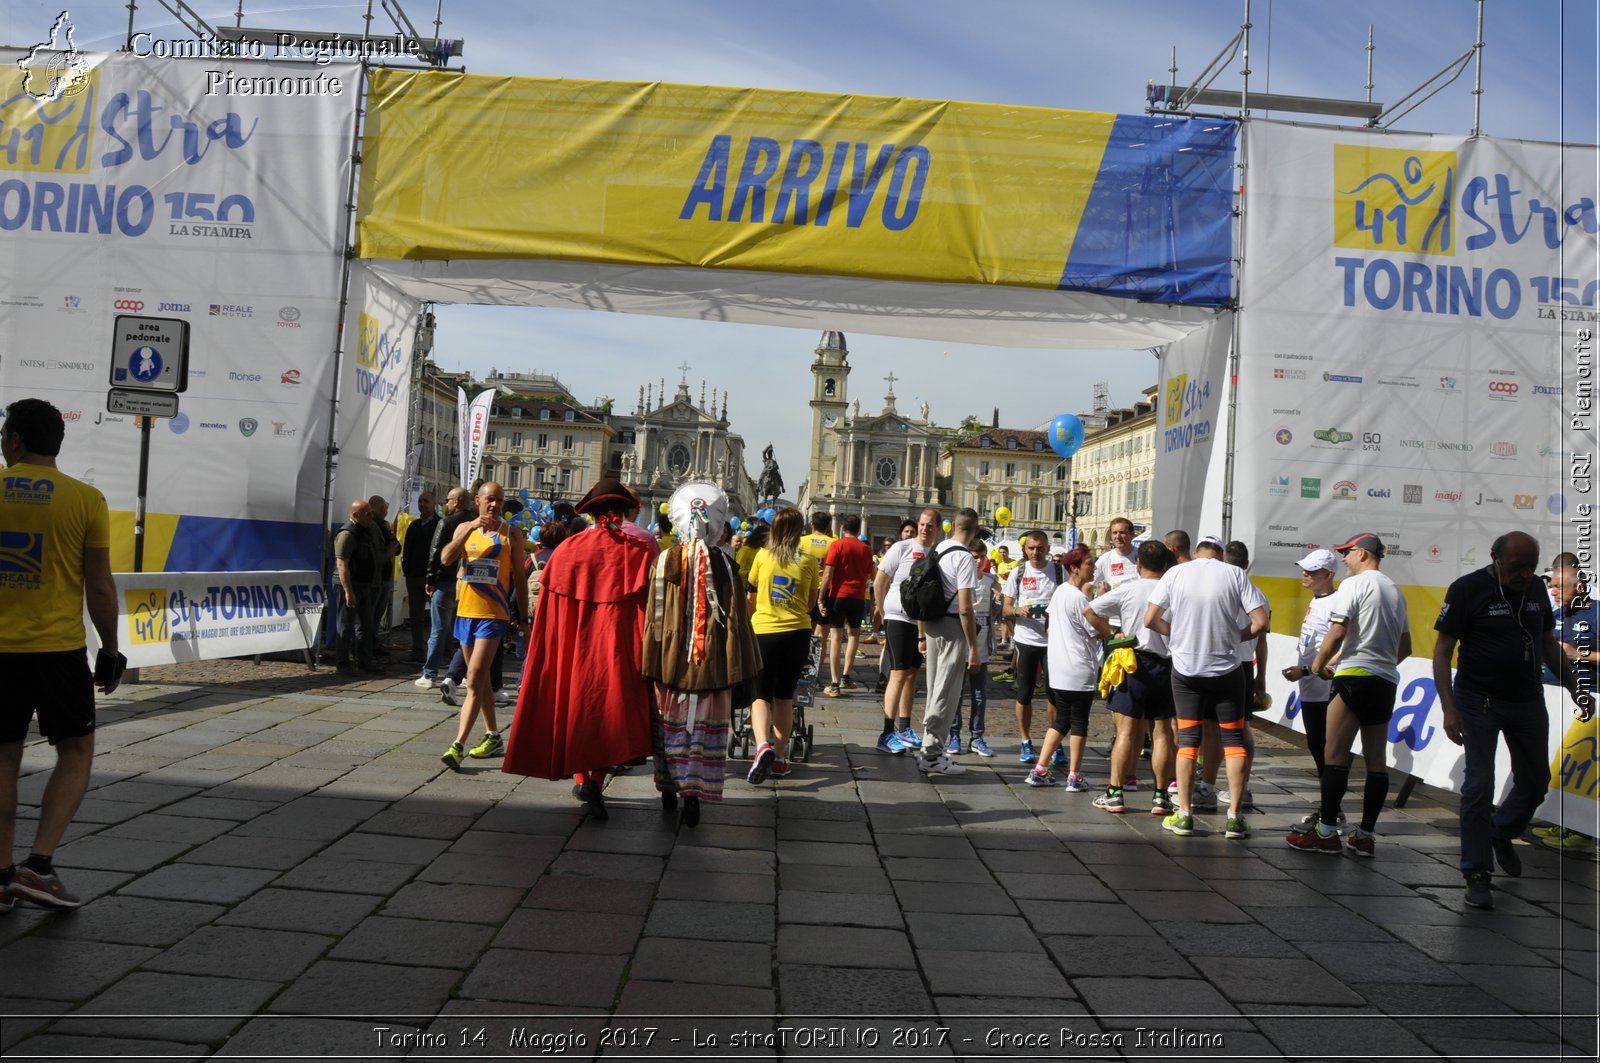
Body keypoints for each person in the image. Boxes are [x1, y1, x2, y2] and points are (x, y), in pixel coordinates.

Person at [0, 399, 122, 911]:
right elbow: (98, 585)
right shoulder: (86, 499)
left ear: (18, 441)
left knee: (2, 756)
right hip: (57, 650)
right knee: (75, 752)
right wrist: (111, 649)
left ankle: (2, 874)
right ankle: (40, 866)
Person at [1433, 531, 1593, 909]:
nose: (1524, 575)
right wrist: (1449, 707)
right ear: (1495, 558)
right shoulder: (1467, 589)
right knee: (1479, 784)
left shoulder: (1536, 592)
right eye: (1517, 566)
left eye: (1531, 567)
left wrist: (1574, 686)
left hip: (1526, 699)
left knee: (1536, 781)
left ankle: (1501, 832)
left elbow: (1547, 644)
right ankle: (1476, 872)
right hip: (1478, 700)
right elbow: (1442, 653)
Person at [505, 479, 657, 820]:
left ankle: (580, 777)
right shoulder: (638, 550)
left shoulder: (567, 551)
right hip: (617, 648)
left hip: (573, 648)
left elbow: (548, 613)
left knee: (575, 709)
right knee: (610, 714)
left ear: (592, 513)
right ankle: (596, 780)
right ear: (621, 512)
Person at [642, 483, 762, 825]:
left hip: (669, 660)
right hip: (711, 661)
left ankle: (668, 786)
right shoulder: (724, 564)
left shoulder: (664, 560)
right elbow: (737, 617)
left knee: (668, 723)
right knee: (701, 729)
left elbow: (653, 613)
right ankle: (693, 793)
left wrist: (653, 653)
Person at [1285, 534, 1411, 857]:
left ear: (1363, 554)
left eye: (1347, 552)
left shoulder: (1353, 586)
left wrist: (1317, 665)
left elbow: (1338, 630)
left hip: (1354, 677)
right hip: (1385, 680)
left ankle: (1326, 832)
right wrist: (1376, 664)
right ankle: (1366, 835)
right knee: (1376, 760)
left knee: (1334, 753)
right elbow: (1406, 647)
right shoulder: (1396, 592)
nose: (1343, 558)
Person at [1143, 536, 1270, 840]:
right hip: (1227, 669)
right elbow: (1261, 622)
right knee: (1234, 742)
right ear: (1221, 553)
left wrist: (1177, 635)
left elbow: (1150, 619)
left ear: (1196, 552)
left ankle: (1185, 815)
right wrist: (1233, 638)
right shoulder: (1234, 573)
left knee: (1188, 742)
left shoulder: (1175, 573)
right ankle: (1235, 818)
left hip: (1186, 669)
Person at [438, 481, 529, 770]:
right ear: (477, 500)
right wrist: (468, 528)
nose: (495, 505)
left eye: (500, 500)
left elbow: (519, 579)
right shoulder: (465, 529)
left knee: (475, 678)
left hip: (494, 615)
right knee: (483, 683)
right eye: (490, 499)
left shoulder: (511, 534)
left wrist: (523, 618)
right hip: (466, 613)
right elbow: (445, 558)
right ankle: (493, 736)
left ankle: (458, 745)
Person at [1083, 540, 1175, 812]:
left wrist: (1111, 634)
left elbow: (1089, 610)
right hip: (1167, 664)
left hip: (1134, 661)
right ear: (1166, 565)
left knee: (1126, 730)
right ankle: (1160, 796)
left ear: (1138, 563)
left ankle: (1115, 792)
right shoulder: (1173, 590)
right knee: (1162, 733)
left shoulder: (1129, 589)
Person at [746, 507, 820, 784]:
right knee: (785, 696)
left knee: (760, 694)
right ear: (800, 531)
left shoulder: (762, 557)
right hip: (797, 634)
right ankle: (778, 757)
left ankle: (762, 745)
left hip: (763, 631)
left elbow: (750, 598)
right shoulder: (809, 561)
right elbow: (812, 604)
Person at [1534, 554, 1598, 853]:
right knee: (1557, 764)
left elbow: (1577, 654)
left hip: (1584, 703)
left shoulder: (1596, 614)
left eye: (1560, 586)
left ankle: (1583, 832)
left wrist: (1578, 655)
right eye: (1552, 585)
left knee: (1579, 764)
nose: (1554, 591)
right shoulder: (1557, 614)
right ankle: (1561, 819)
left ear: (1579, 586)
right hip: (1551, 699)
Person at [1024, 546, 1099, 789]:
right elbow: (1095, 631)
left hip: (1058, 668)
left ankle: (1039, 769)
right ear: (1074, 567)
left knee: (1061, 721)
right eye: (1090, 563)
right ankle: (1074, 776)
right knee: (1079, 723)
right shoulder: (1079, 598)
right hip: (1078, 668)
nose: (1094, 567)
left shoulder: (1060, 592)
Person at [914, 507, 980, 776]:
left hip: (931, 624)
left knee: (934, 688)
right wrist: (973, 646)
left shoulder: (938, 550)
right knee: (947, 691)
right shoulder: (964, 558)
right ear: (974, 530)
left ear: (952, 526)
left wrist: (921, 634)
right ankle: (931, 754)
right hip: (953, 627)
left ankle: (930, 749)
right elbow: (965, 608)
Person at [1281, 548, 1341, 830]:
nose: (1305, 574)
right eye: (1304, 569)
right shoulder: (1318, 600)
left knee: (1326, 751)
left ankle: (1332, 812)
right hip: (1310, 687)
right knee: (1317, 748)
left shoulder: (1336, 602)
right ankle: (1329, 808)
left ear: (1328, 575)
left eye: (1312, 571)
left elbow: (1340, 647)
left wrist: (1306, 670)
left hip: (1323, 689)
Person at [873, 509, 940, 753]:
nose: (924, 529)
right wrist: (881, 612)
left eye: (929, 526)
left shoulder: (936, 553)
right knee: (898, 673)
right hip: (897, 615)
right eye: (922, 524)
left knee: (911, 674)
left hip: (918, 621)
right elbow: (880, 580)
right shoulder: (901, 547)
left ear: (937, 529)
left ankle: (904, 727)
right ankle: (886, 733)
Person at [1002, 530, 1065, 766]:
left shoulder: (1059, 572)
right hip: (1026, 639)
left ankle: (1055, 742)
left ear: (1048, 549)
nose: (1035, 552)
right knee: (1024, 694)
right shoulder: (1018, 572)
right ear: (1025, 550)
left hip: (1053, 642)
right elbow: (1006, 608)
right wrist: (1016, 610)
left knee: (1055, 695)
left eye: (1040, 548)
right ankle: (1025, 741)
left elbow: (1071, 599)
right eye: (1031, 548)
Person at [416, 487, 474, 691]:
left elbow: (435, 551)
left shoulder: (446, 522)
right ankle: (466, 673)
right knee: (463, 631)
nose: (446, 503)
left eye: (448, 500)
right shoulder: (476, 521)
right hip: (466, 583)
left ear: (457, 502)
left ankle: (430, 674)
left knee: (438, 630)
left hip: (444, 581)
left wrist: (430, 579)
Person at [949, 539, 998, 757]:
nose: (978, 561)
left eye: (981, 557)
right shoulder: (957, 582)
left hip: (982, 646)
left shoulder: (990, 581)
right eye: (973, 557)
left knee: (979, 694)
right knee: (957, 693)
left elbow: (998, 612)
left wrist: (1001, 598)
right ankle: (954, 735)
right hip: (961, 645)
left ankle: (977, 737)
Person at [819, 514, 873, 697]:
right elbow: (870, 574)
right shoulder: (866, 549)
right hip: (857, 597)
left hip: (838, 595)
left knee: (835, 637)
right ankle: (846, 676)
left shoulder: (837, 545)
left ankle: (834, 683)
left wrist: (821, 597)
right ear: (859, 530)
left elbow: (827, 574)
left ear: (842, 527)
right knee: (853, 635)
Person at [334, 499, 384, 675]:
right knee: (346, 625)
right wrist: (348, 591)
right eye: (367, 513)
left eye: (371, 512)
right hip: (350, 584)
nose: (372, 516)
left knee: (366, 624)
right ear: (355, 515)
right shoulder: (347, 534)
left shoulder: (369, 529)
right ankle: (343, 663)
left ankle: (364, 660)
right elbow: (342, 565)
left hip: (365, 585)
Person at [400, 491, 439, 663]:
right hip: (414, 577)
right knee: (416, 616)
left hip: (434, 578)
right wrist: (407, 570)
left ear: (433, 504)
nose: (422, 504)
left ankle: (436, 652)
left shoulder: (440, 524)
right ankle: (417, 650)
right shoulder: (414, 526)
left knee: (437, 617)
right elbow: (406, 550)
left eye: (426, 501)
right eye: (421, 501)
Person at [368, 494, 400, 655]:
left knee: (377, 614)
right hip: (375, 578)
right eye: (385, 509)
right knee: (371, 615)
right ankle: (369, 647)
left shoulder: (384, 526)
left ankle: (373, 644)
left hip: (384, 576)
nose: (387, 512)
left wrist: (390, 534)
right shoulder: (372, 526)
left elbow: (396, 548)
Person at [1093, 517, 1140, 593]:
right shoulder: (1105, 559)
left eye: (1122, 532)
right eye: (1114, 533)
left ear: (1132, 534)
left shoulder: (1142, 556)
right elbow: (1089, 583)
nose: (1118, 537)